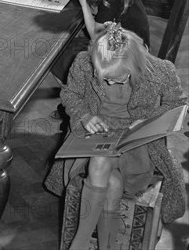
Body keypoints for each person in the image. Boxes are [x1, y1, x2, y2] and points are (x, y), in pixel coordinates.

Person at [45, 24, 187, 250]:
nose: (110, 83)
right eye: (104, 79)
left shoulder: (160, 70)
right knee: (109, 176)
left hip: (136, 147)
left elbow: (178, 105)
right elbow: (70, 94)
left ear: (135, 66)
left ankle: (78, 245)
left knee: (102, 166)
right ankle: (106, 246)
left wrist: (148, 120)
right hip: (92, 139)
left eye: (117, 80)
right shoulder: (84, 61)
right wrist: (84, 116)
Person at [52, 0, 149, 84]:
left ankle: (78, 93)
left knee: (57, 55)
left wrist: (84, 3)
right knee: (67, 45)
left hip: (124, 61)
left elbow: (96, 37)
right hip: (132, 49)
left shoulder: (109, 0)